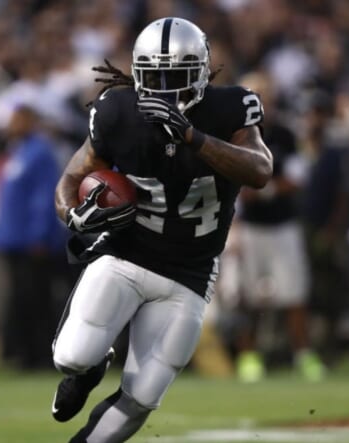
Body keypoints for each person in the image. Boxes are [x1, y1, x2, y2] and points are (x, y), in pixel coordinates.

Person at [50, 17, 272, 442]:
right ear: (137, 74)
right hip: (126, 253)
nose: (166, 90)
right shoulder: (117, 111)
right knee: (72, 357)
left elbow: (260, 170)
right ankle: (89, 371)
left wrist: (193, 136)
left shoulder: (231, 107)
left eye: (177, 76)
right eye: (154, 77)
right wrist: (73, 214)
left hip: (190, 272)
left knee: (142, 396)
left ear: (202, 73)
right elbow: (71, 178)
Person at [231, 71, 324, 383]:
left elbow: (297, 178)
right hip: (249, 227)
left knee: (294, 293)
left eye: (265, 95)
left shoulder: (284, 133)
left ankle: (303, 354)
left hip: (283, 224)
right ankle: (248, 357)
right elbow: (232, 184)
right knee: (247, 296)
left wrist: (264, 190)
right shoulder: (234, 133)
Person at [0, 104, 65, 370]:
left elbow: (44, 197)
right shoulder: (15, 152)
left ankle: (40, 353)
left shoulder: (40, 153)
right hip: (12, 238)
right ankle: (20, 351)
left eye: (18, 120)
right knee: (20, 297)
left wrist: (39, 235)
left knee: (37, 298)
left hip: (31, 241)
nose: (12, 125)